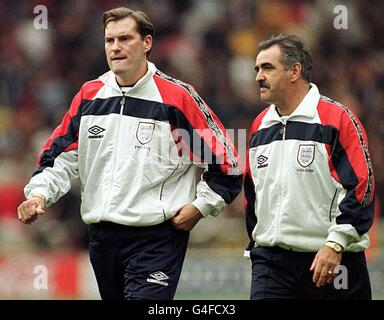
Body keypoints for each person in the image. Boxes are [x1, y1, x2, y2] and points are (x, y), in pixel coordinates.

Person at [17, 7, 242, 300]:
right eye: (109, 40)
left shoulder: (175, 99)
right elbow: (60, 157)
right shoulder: (90, 96)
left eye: (125, 38)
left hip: (156, 239)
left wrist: (199, 207)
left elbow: (227, 164)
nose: (115, 47)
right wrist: (38, 194)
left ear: (147, 43)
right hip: (101, 238)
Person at [244, 34, 375, 300]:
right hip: (271, 263)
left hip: (332, 262)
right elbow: (253, 194)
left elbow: (362, 188)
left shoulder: (337, 119)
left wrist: (335, 243)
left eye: (267, 67)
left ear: (295, 71)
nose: (258, 76)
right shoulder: (259, 125)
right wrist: (258, 241)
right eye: (257, 68)